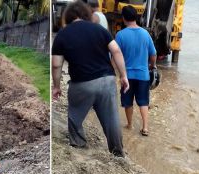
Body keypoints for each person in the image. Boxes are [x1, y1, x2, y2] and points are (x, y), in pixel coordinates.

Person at [52, 0, 129, 157]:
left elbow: (56, 65)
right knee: (112, 119)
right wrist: (123, 76)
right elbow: (117, 51)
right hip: (107, 80)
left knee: (75, 117)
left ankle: (79, 145)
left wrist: (57, 86)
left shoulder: (62, 35)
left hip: (82, 84)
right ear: (86, 14)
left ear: (68, 17)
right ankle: (118, 153)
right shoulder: (99, 30)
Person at [115, 5, 157, 136]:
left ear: (123, 18)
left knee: (128, 102)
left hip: (126, 76)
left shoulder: (120, 35)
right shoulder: (145, 34)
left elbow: (115, 55)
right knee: (143, 101)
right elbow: (153, 54)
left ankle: (129, 124)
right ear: (136, 17)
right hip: (143, 76)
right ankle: (145, 127)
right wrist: (152, 65)